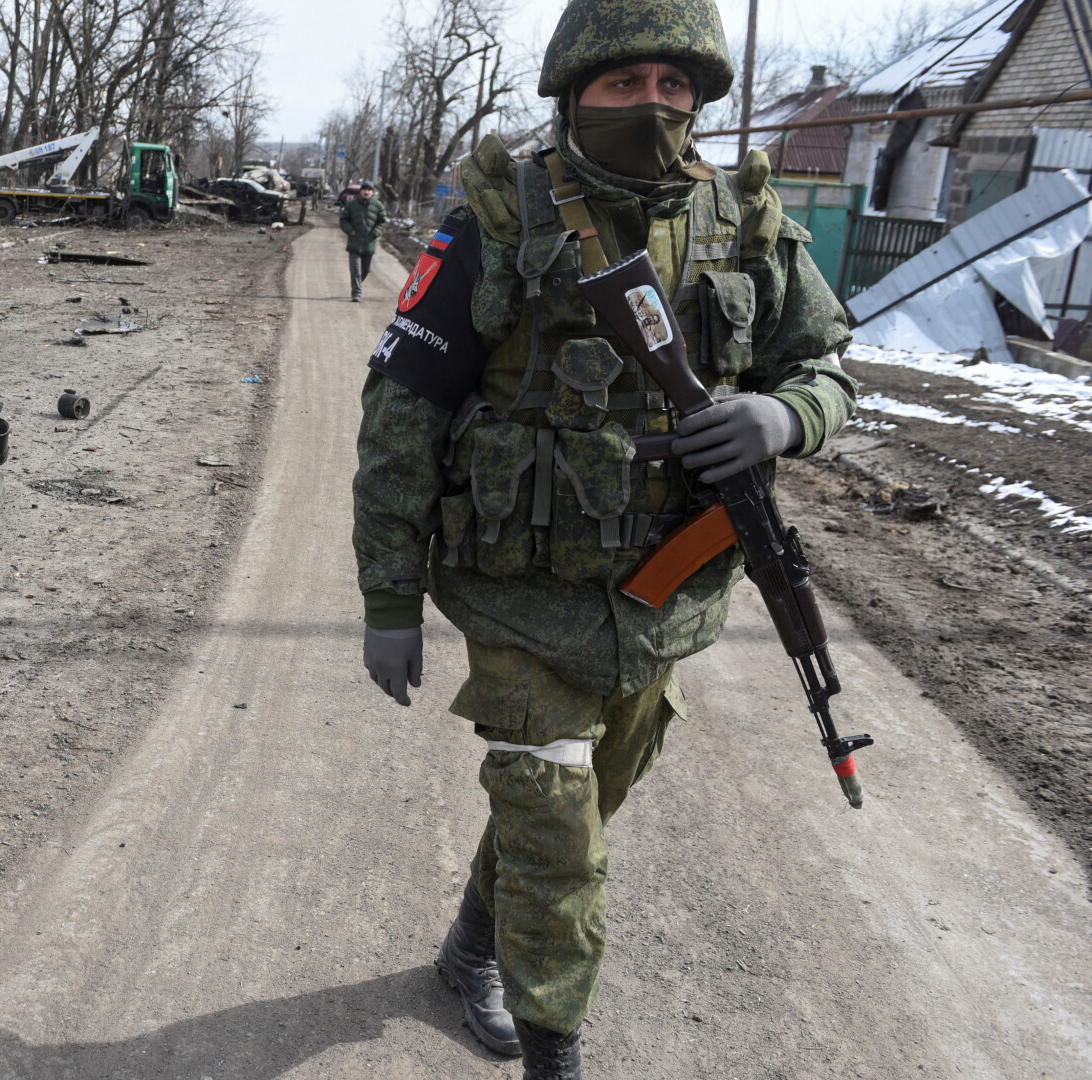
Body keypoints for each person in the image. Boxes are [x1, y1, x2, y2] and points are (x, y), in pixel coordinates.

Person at [349, 0, 857, 1076]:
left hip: (665, 604)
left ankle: (467, 949)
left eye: (675, 87)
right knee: (560, 833)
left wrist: (784, 415)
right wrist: (389, 599)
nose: (652, 105)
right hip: (519, 599)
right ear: (574, 90)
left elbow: (827, 365)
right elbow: (400, 422)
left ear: (702, 97)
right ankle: (554, 1048)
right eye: (626, 84)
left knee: (578, 804)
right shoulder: (496, 216)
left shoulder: (749, 221)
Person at [339, 181, 386, 301]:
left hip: (369, 244)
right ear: (360, 191)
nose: (366, 192)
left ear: (372, 192)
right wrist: (351, 231)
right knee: (355, 269)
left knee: (366, 270)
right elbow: (343, 219)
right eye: (364, 189)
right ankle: (356, 293)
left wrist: (376, 233)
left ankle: (357, 284)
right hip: (354, 243)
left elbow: (382, 222)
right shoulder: (352, 205)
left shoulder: (378, 205)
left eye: (369, 190)